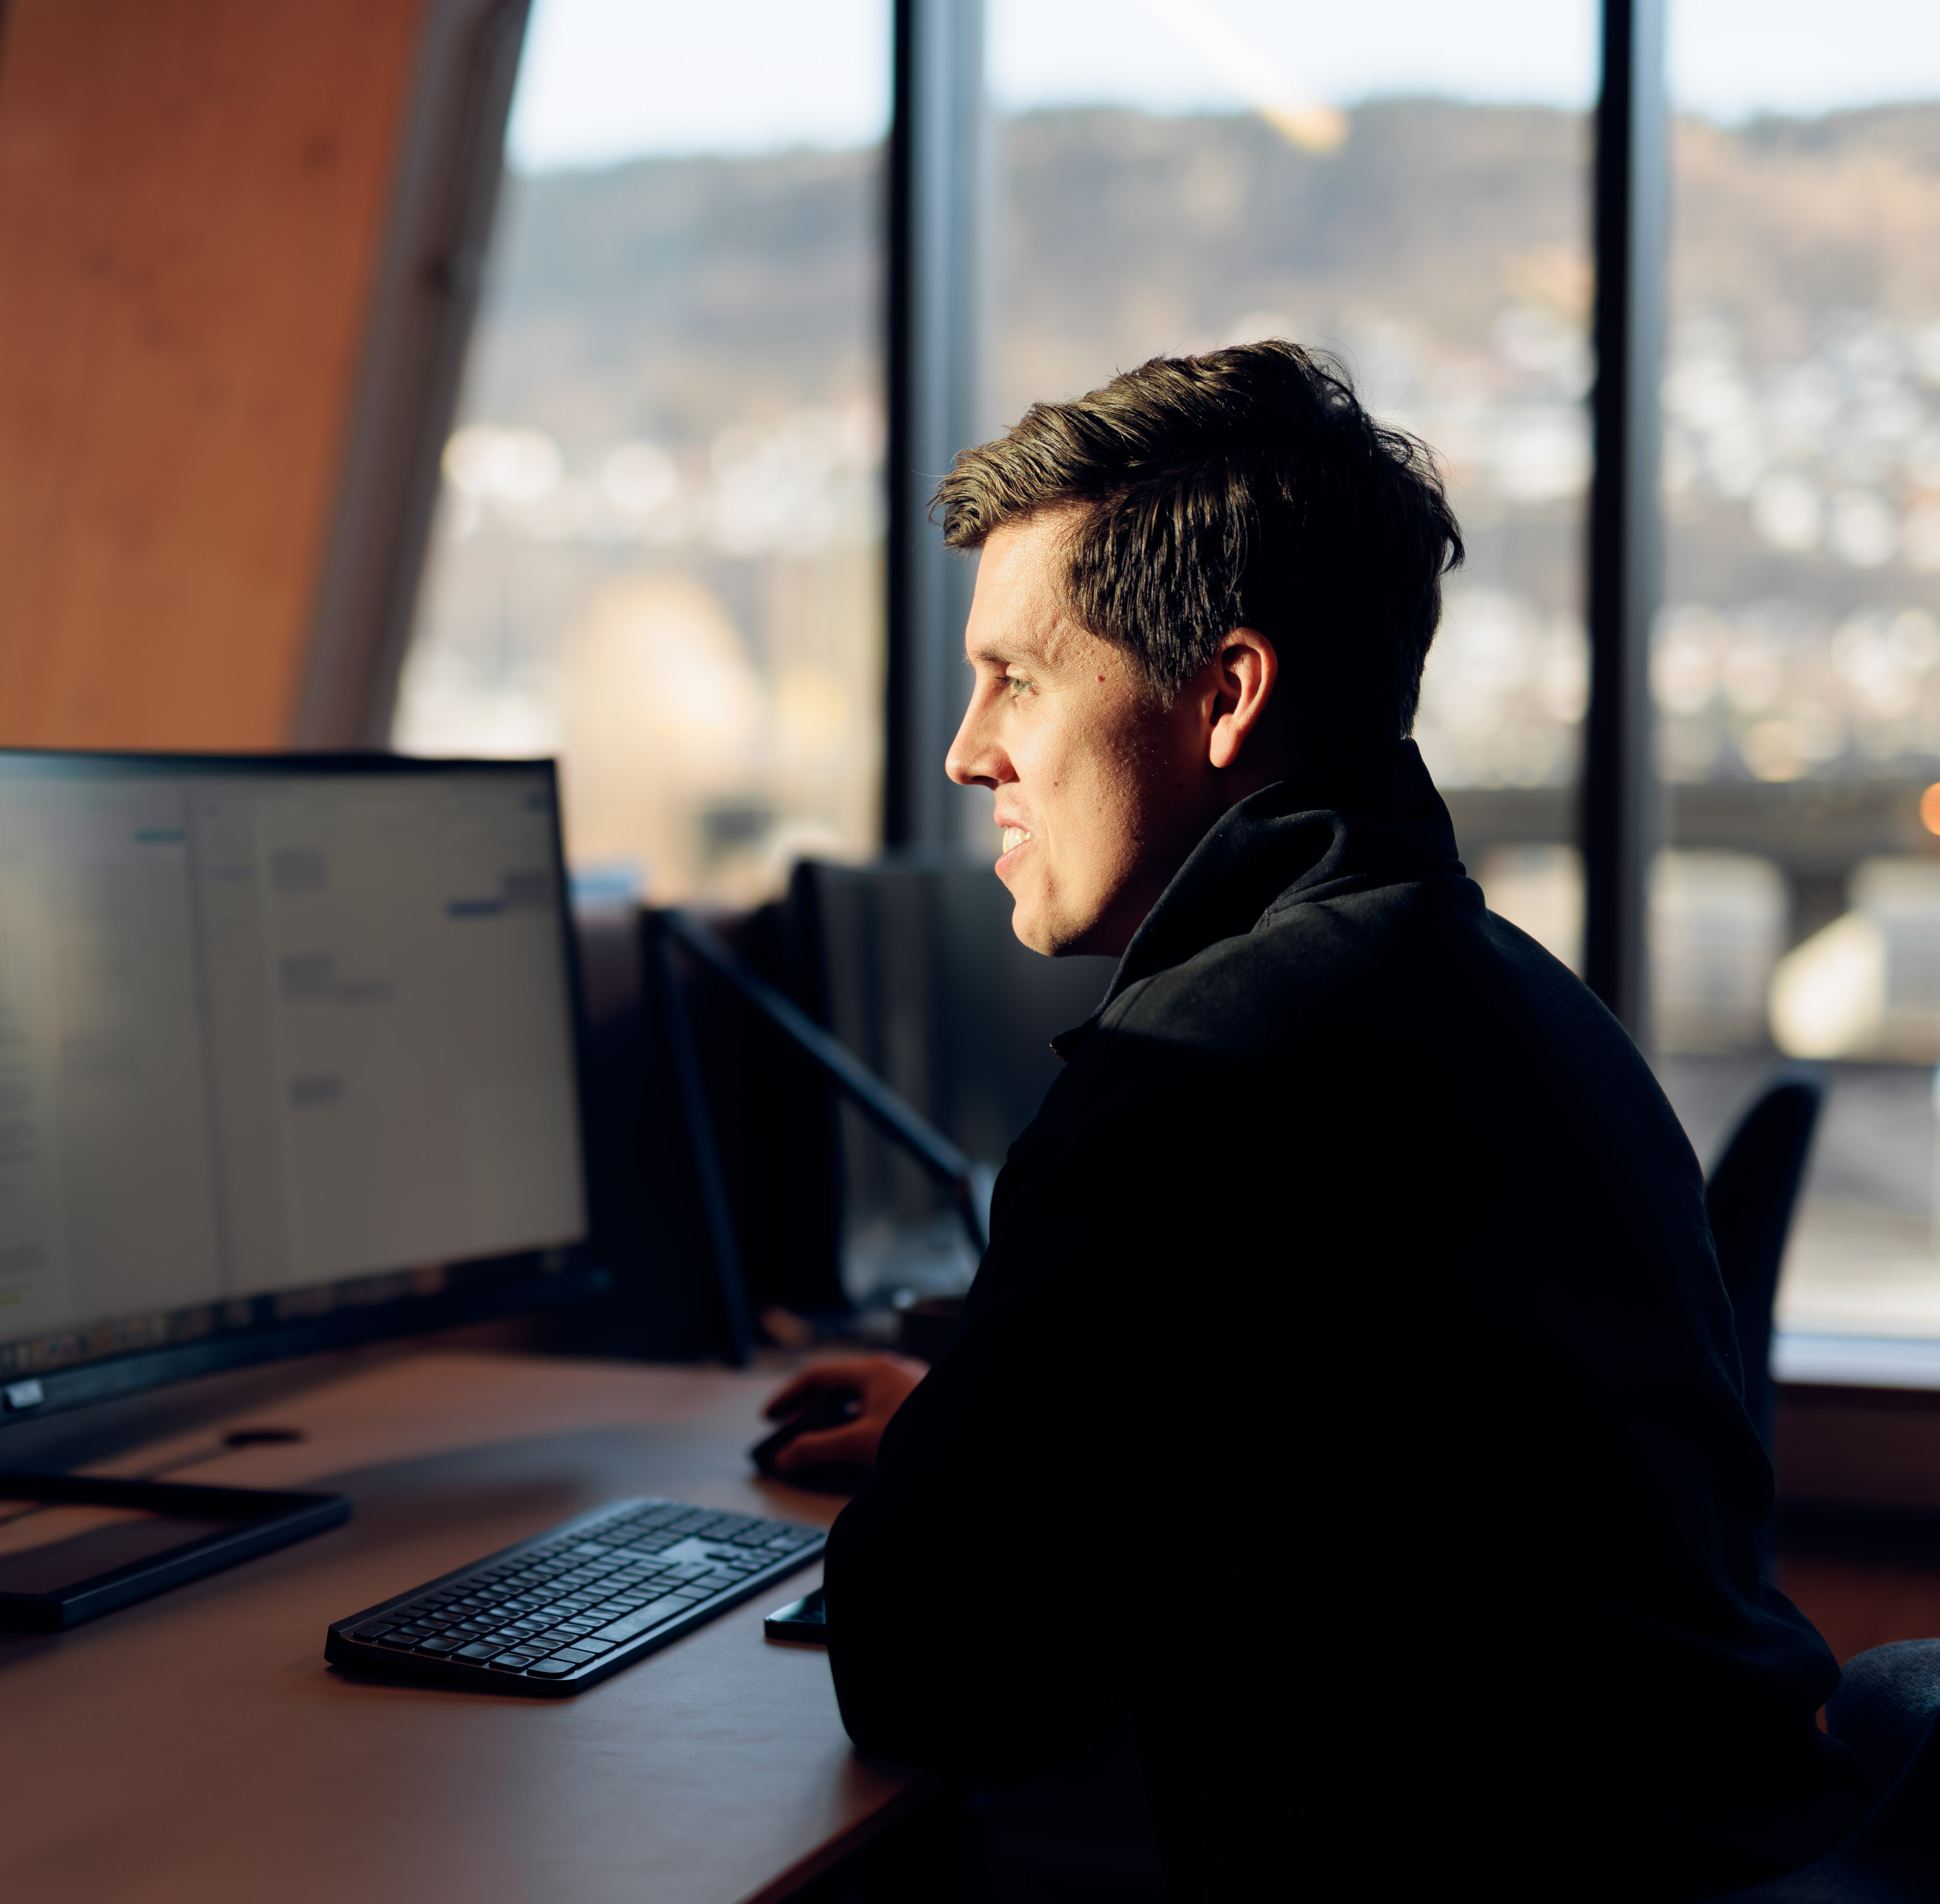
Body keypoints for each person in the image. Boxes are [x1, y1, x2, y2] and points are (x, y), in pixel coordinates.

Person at [760, 342, 1866, 1899]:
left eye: (1013, 678)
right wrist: (983, 1430)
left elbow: (944, 1684)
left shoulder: (1203, 1087)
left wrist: (950, 1468)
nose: (968, 751)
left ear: (1223, 695)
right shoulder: (1500, 1000)